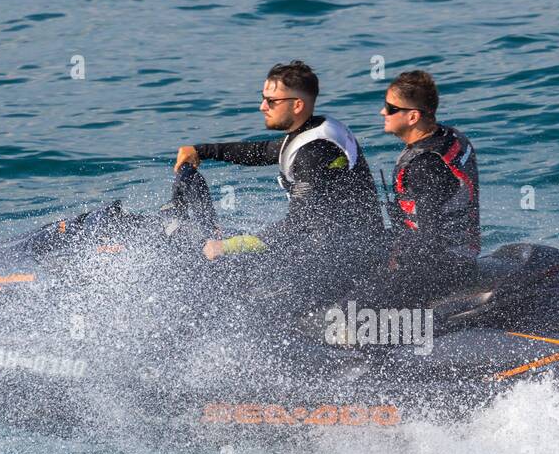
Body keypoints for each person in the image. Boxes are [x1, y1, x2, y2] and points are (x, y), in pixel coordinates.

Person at [171, 60, 383, 310]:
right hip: (324, 247)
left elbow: (296, 227)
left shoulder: (314, 153)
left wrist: (226, 247)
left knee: (241, 293)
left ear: (297, 105)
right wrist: (202, 151)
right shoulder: (314, 130)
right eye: (263, 98)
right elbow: (262, 151)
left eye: (272, 101)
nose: (263, 107)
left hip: (342, 263)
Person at [345, 70, 481, 314]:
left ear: (412, 117)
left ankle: (368, 349)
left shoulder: (425, 165)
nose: (382, 112)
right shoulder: (449, 137)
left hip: (442, 267)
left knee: (353, 306)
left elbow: (429, 240)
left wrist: (389, 264)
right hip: (459, 254)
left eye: (390, 107)